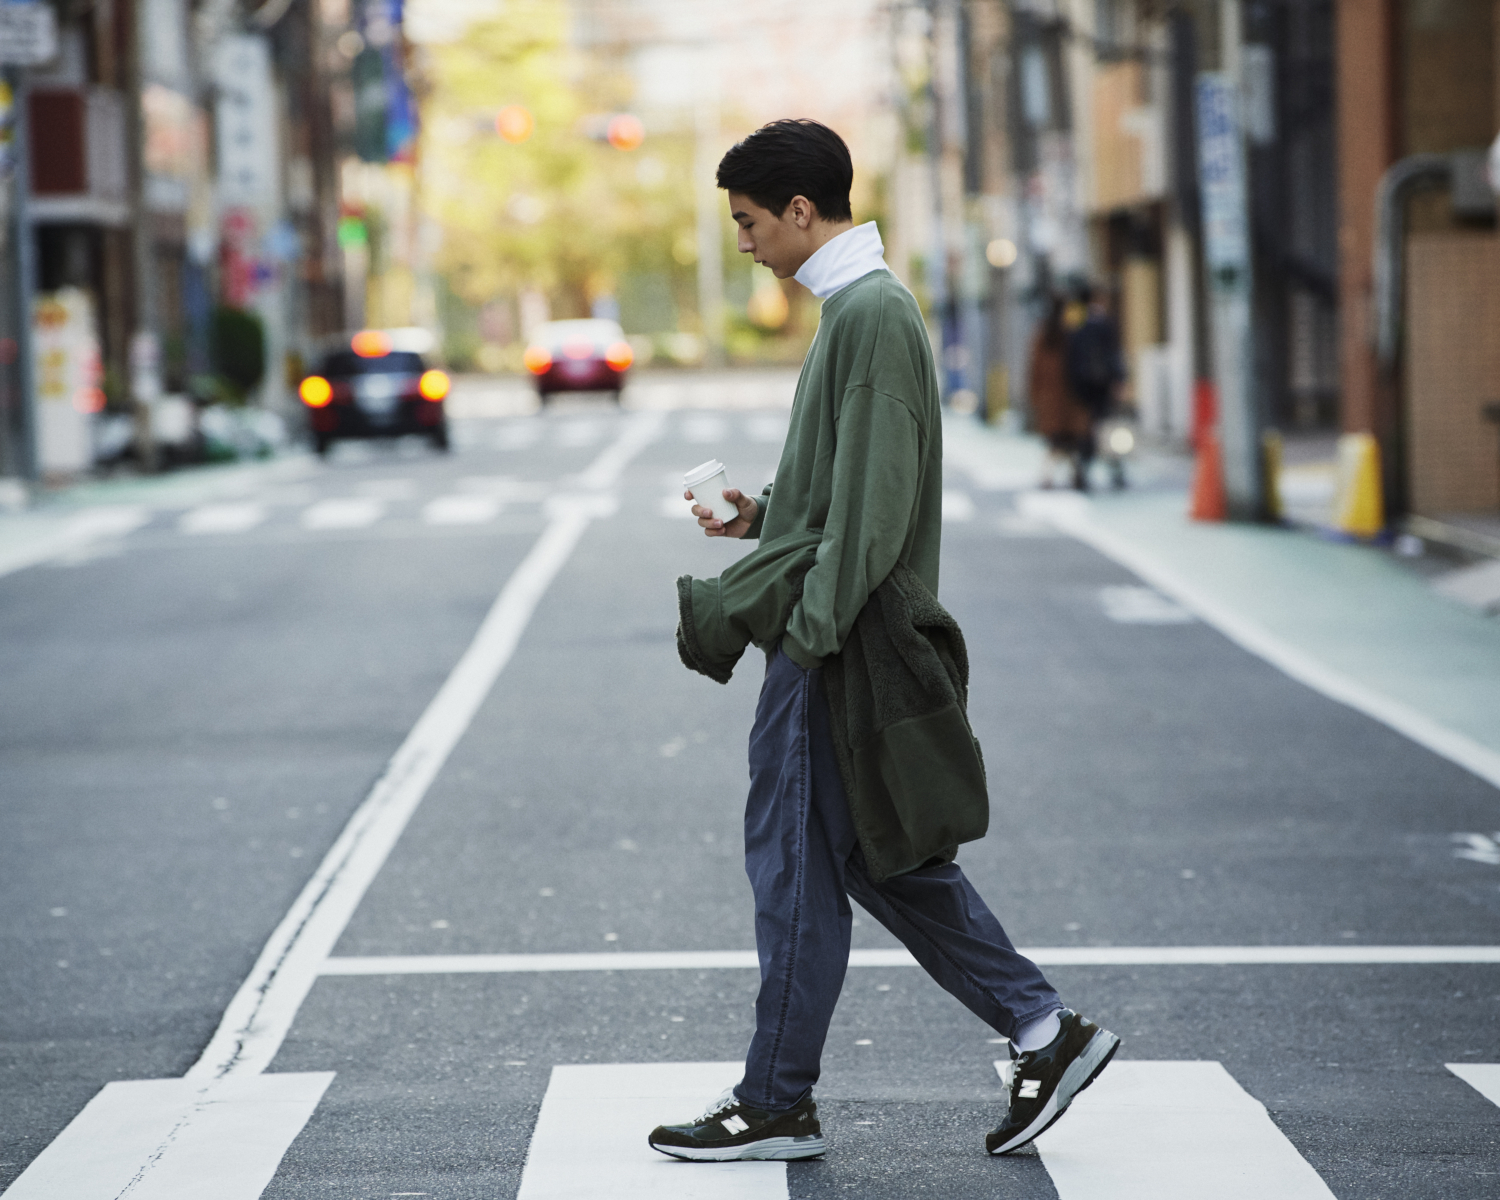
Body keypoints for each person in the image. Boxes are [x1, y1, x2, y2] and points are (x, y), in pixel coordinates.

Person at [650, 118, 1118, 1165]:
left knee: (796, 864)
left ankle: (779, 1101)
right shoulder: (860, 311)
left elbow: (870, 511)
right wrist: (759, 514)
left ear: (802, 211)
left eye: (750, 221)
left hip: (839, 645)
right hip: (845, 632)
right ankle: (1042, 1030)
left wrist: (807, 637)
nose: (743, 242)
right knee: (874, 858)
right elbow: (841, 491)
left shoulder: (868, 315)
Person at [1063, 285, 1126, 492]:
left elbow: (1070, 357)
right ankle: (1115, 470)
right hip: (1103, 383)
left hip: (1081, 384)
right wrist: (1119, 379)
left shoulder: (1076, 324)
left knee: (1086, 427)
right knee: (1106, 426)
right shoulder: (1104, 323)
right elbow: (1114, 353)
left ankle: (1083, 469)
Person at [1027, 295, 1091, 489]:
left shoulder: (1045, 335)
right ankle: (1068, 474)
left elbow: (1034, 370)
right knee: (1069, 442)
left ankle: (1056, 475)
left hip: (1053, 401)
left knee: (1059, 442)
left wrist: (1035, 397)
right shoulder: (1070, 334)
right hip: (1070, 400)